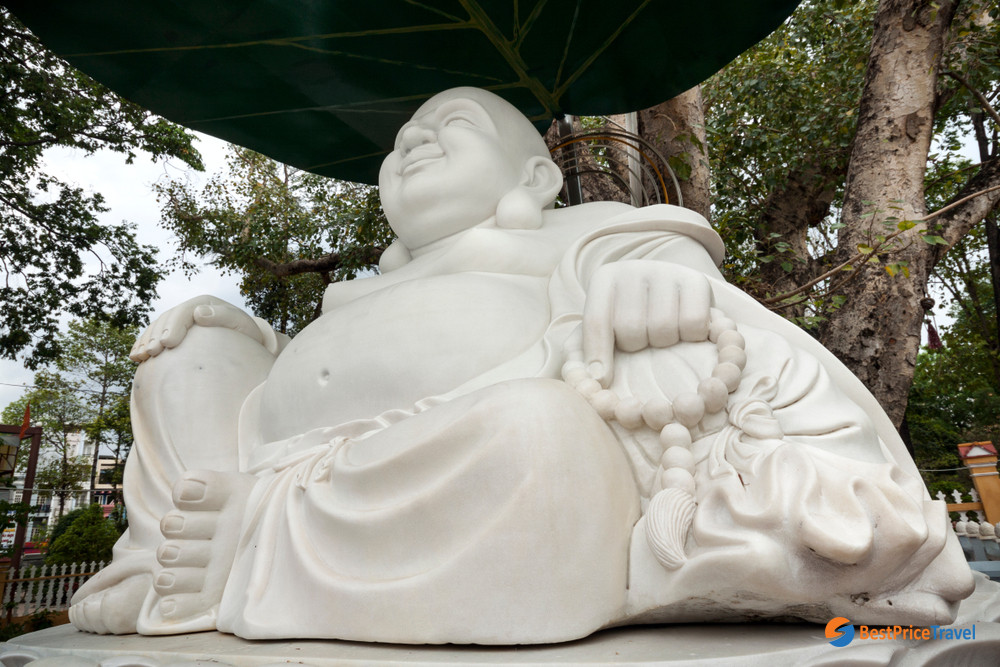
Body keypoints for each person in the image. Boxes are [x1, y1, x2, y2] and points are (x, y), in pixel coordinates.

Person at [70, 87, 973, 644]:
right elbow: (295, 379)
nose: (412, 140)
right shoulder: (360, 287)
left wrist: (657, 281)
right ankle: (171, 555)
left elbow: (672, 252)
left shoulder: (570, 233)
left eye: (449, 124)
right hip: (281, 459)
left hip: (437, 462)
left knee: (536, 436)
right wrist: (244, 344)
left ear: (536, 179)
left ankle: (245, 549)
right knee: (185, 353)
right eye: (401, 141)